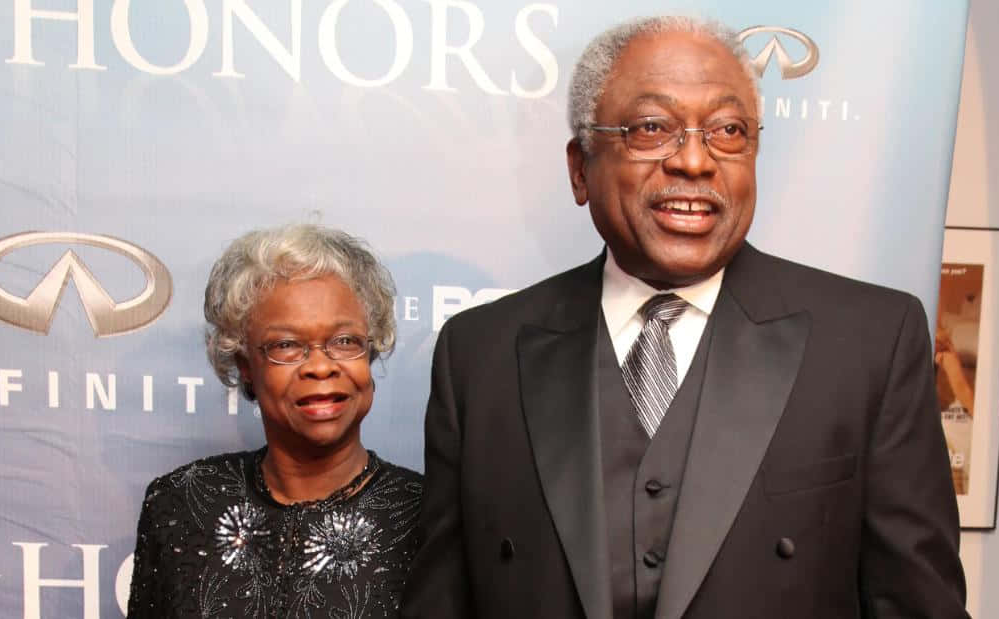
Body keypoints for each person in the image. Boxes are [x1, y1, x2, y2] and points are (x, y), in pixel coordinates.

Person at [401, 15, 968, 619]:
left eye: (728, 130)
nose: (695, 161)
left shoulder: (868, 343)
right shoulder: (480, 355)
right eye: (652, 128)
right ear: (579, 168)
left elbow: (917, 604)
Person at [128, 224, 422, 618]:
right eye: (287, 345)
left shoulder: (428, 518)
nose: (320, 366)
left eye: (345, 341)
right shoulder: (181, 503)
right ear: (245, 365)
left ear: (370, 352)